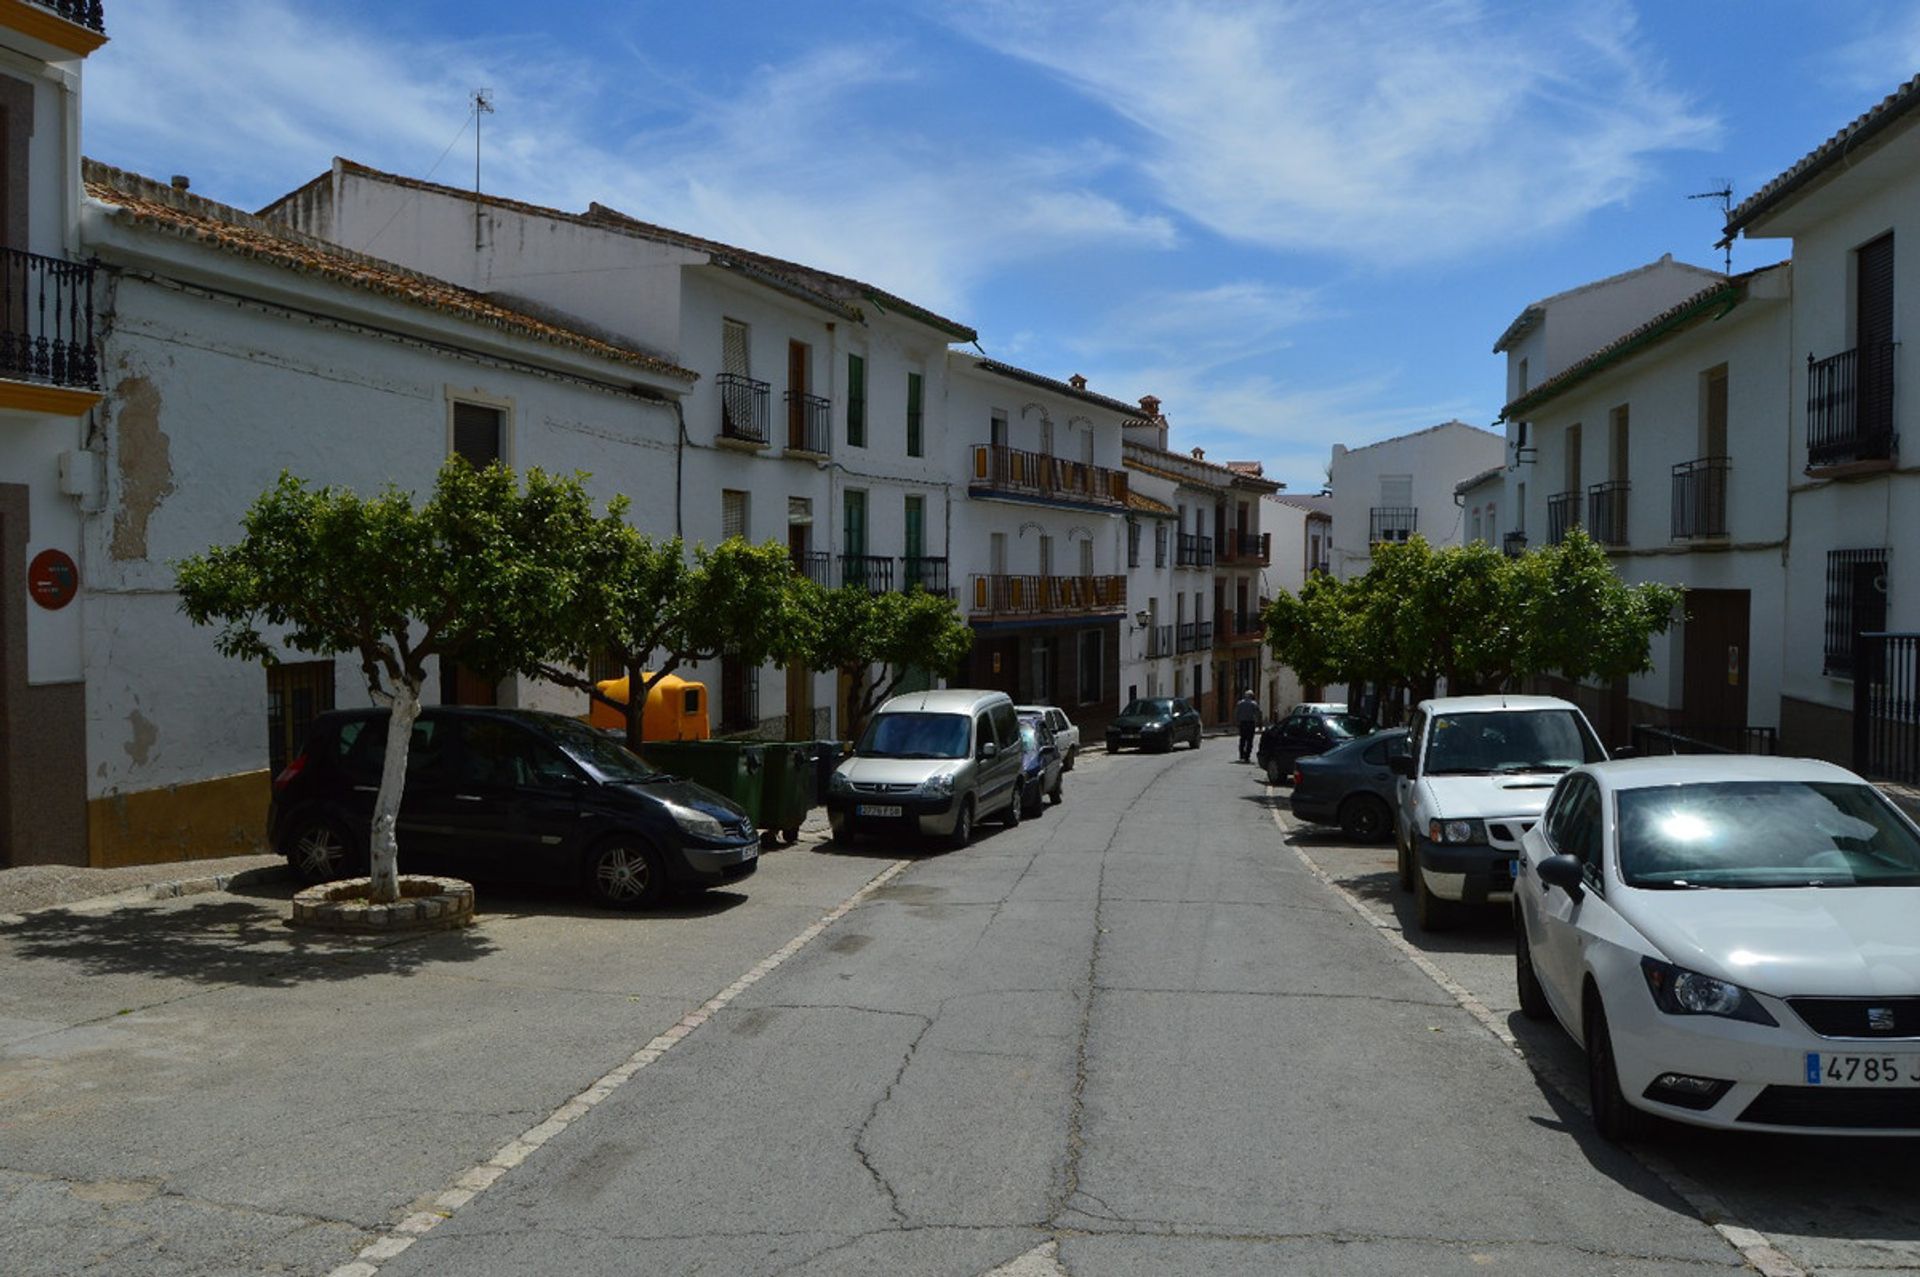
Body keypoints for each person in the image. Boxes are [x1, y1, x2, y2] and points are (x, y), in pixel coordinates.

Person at [1235, 689, 1260, 762]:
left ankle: (1241, 754)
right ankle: (1247, 756)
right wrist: (1258, 723)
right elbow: (1257, 714)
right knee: (1249, 740)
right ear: (1252, 696)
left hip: (1242, 723)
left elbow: (1236, 713)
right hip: (1250, 723)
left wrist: (1237, 722)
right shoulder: (1254, 704)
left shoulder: (1240, 703)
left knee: (1242, 739)